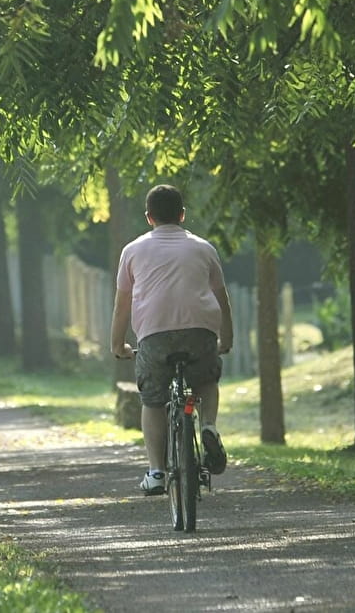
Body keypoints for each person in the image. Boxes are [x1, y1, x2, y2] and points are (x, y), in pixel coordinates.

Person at [111, 184, 234, 496]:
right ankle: (208, 426)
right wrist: (226, 338)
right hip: (201, 333)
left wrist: (117, 345)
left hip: (154, 337)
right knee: (206, 380)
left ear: (149, 217)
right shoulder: (204, 248)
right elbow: (222, 297)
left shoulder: (132, 251)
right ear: (182, 215)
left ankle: (156, 472)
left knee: (152, 400)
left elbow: (122, 303)